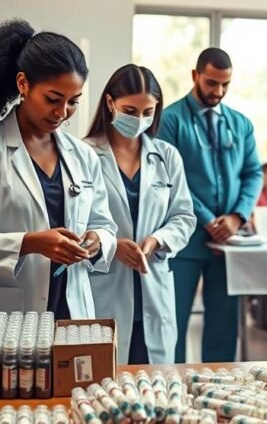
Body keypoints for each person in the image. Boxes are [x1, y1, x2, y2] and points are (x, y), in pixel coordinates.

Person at [0, 19, 118, 318]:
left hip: (69, 310)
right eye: (52, 99)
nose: (62, 113)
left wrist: (97, 241)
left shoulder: (83, 156)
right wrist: (29, 243)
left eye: (73, 102)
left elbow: (105, 225)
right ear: (23, 84)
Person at [84, 64, 195, 365]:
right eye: (130, 111)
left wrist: (157, 241)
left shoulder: (166, 156)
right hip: (104, 285)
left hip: (152, 284)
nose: (139, 120)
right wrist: (112, 245)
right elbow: (72, 220)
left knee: (155, 385)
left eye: (148, 112)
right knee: (105, 382)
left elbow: (184, 216)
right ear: (110, 103)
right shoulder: (83, 154)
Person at [157, 48, 263, 362]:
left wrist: (237, 216)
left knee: (223, 326)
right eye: (211, 83)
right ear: (195, 76)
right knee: (172, 323)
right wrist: (206, 218)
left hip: (228, 243)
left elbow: (253, 172)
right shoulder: (170, 120)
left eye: (225, 84)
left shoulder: (240, 124)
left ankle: (218, 392)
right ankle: (170, 390)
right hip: (185, 241)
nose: (218, 91)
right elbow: (169, 178)